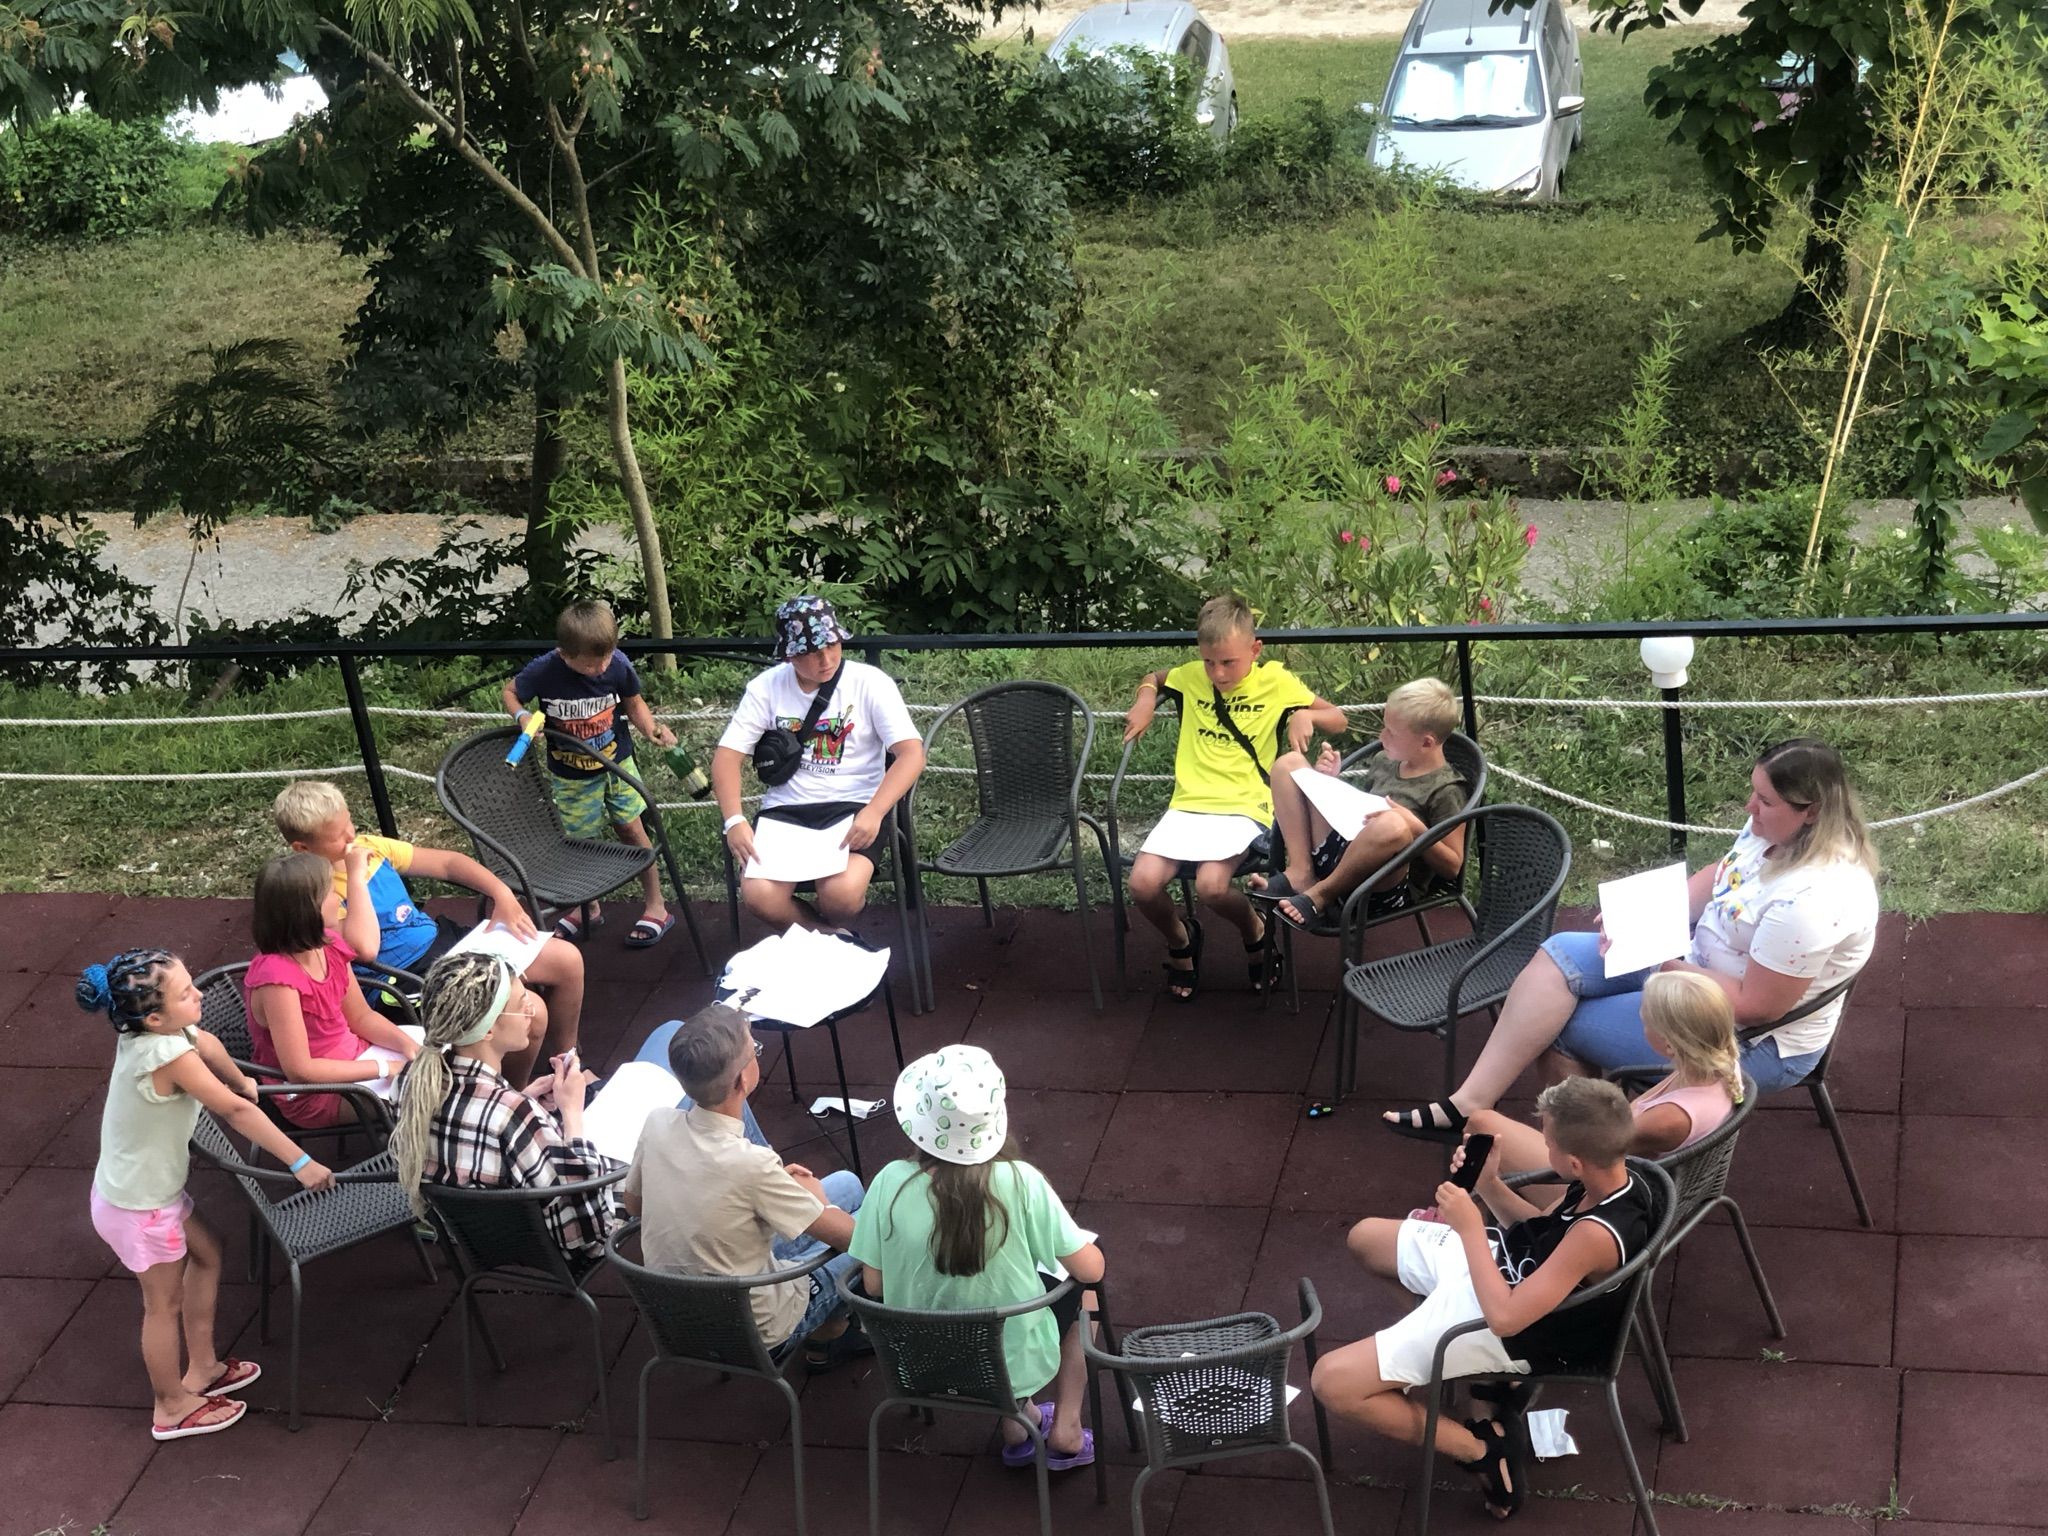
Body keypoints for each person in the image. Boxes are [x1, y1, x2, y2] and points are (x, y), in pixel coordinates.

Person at [1384, 738, 1880, 1143]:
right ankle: (1471, 1103)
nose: (1750, 808)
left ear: (1811, 811)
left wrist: (1660, 961)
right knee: (1559, 954)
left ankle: (1586, 1163)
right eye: (1753, 792)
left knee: (1555, 1025)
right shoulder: (1773, 831)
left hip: (1743, 1036)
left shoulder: (1812, 901)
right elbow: (1721, 874)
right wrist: (1641, 917)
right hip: (1691, 969)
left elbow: (1758, 1006)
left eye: (1765, 801)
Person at [1312, 1078, 1660, 1520]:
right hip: (1499, 1272)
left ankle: (1482, 1450)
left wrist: (1471, 1228)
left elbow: (1505, 1319)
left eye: (1548, 1143)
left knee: (1333, 1382)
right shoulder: (1607, 1178)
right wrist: (1490, 1184)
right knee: (1366, 1239)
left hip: (1513, 1326)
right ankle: (1465, 1371)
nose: (1544, 1148)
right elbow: (1539, 1233)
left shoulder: (1597, 1234)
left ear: (1574, 1161)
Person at [78, 949, 335, 1442]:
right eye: (185, 994)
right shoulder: (165, 1056)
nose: (197, 995)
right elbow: (235, 1113)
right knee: (162, 1304)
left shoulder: (157, 1032)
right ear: (155, 1018)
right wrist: (300, 1163)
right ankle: (170, 1406)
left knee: (210, 1252)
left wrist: (242, 1078)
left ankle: (203, 1368)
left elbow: (209, 1043)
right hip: (139, 1207)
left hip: (145, 1194)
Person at [851, 1046, 1106, 1470]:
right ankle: (1067, 1425)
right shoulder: (1020, 1181)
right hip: (1013, 1362)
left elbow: (874, 1285)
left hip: (918, 1361)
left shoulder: (888, 1182)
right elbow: (1090, 1269)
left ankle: (1019, 1426)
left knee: (979, 1301)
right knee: (1085, 1292)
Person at [271, 780, 585, 1075]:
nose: (352, 836)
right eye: (337, 836)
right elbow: (365, 948)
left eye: (349, 823)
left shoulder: (371, 847)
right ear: (303, 848)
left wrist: (501, 894)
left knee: (567, 960)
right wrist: (355, 877)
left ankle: (567, 1062)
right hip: (404, 977)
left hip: (444, 944)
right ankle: (512, 1095)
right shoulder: (318, 895)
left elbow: (447, 863)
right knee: (532, 1013)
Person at [621, 1004, 872, 1370]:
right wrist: (818, 1202)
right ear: (742, 1079)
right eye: (755, 1050)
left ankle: (830, 1332)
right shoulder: (752, 1166)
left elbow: (634, 1206)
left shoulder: (658, 1123)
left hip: (679, 1320)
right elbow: (858, 1241)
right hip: (757, 1331)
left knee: (847, 1184)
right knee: (880, 1230)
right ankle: (828, 1335)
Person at [1123, 592, 1347, 1000]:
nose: (1218, 673)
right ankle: (1181, 939)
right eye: (1209, 662)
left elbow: (1338, 718)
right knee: (1142, 884)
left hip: (1245, 804)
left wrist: (1305, 713)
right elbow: (1156, 676)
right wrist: (1145, 698)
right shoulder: (1191, 676)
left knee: (1211, 886)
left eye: (1228, 662)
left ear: (1255, 650)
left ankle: (1254, 930)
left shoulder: (1275, 681)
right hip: (1189, 803)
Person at [712, 595, 926, 932]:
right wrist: (734, 820)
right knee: (760, 896)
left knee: (840, 896)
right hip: (786, 810)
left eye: (831, 645)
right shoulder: (766, 687)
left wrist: (875, 812)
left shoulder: (870, 682)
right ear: (790, 655)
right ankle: (831, 939)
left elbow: (912, 753)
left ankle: (828, 937)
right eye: (811, 652)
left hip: (855, 806)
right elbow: (727, 755)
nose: (826, 659)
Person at [390, 951, 621, 1261]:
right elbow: (588, 1226)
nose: (531, 1011)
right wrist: (571, 1112)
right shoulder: (512, 1113)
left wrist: (524, 1099)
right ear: (487, 1030)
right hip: (552, 1252)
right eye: (521, 1004)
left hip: (480, 1244)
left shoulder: (411, 1081)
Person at [1445, 971, 1739, 1192]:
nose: (1640, 1017)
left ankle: (1456, 1221)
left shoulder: (1668, 1119)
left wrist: (1554, 1129)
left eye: (1647, 1018)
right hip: (1624, 1169)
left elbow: (1582, 1160)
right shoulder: (1718, 1065)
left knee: (1481, 1125)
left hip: (1599, 1191)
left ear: (1671, 1044)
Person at [500, 598, 680, 948]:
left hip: (616, 765)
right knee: (581, 843)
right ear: (564, 654)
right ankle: (589, 907)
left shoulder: (618, 664)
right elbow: (510, 692)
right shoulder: (545, 670)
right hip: (571, 775)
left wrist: (651, 729)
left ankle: (656, 905)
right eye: (590, 664)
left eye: (606, 658)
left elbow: (634, 702)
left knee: (632, 829)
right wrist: (522, 716)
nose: (600, 669)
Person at [1252, 676, 1471, 930]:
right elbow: (1361, 813)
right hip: (1346, 856)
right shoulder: (1384, 761)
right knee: (1289, 765)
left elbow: (1452, 867)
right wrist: (1328, 782)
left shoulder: (1447, 790)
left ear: (1426, 743)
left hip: (1382, 885)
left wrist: (1415, 829)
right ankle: (1301, 873)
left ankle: (1321, 895)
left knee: (1393, 824)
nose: (1382, 736)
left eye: (1391, 732)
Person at [243, 851, 423, 1128]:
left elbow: (361, 1017)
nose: (338, 897)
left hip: (358, 1059)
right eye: (329, 892)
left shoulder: (328, 945)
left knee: (448, 1063)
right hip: (316, 1094)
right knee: (432, 1092)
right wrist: (384, 1068)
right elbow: (300, 1070)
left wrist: (407, 1045)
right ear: (308, 909)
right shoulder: (278, 981)